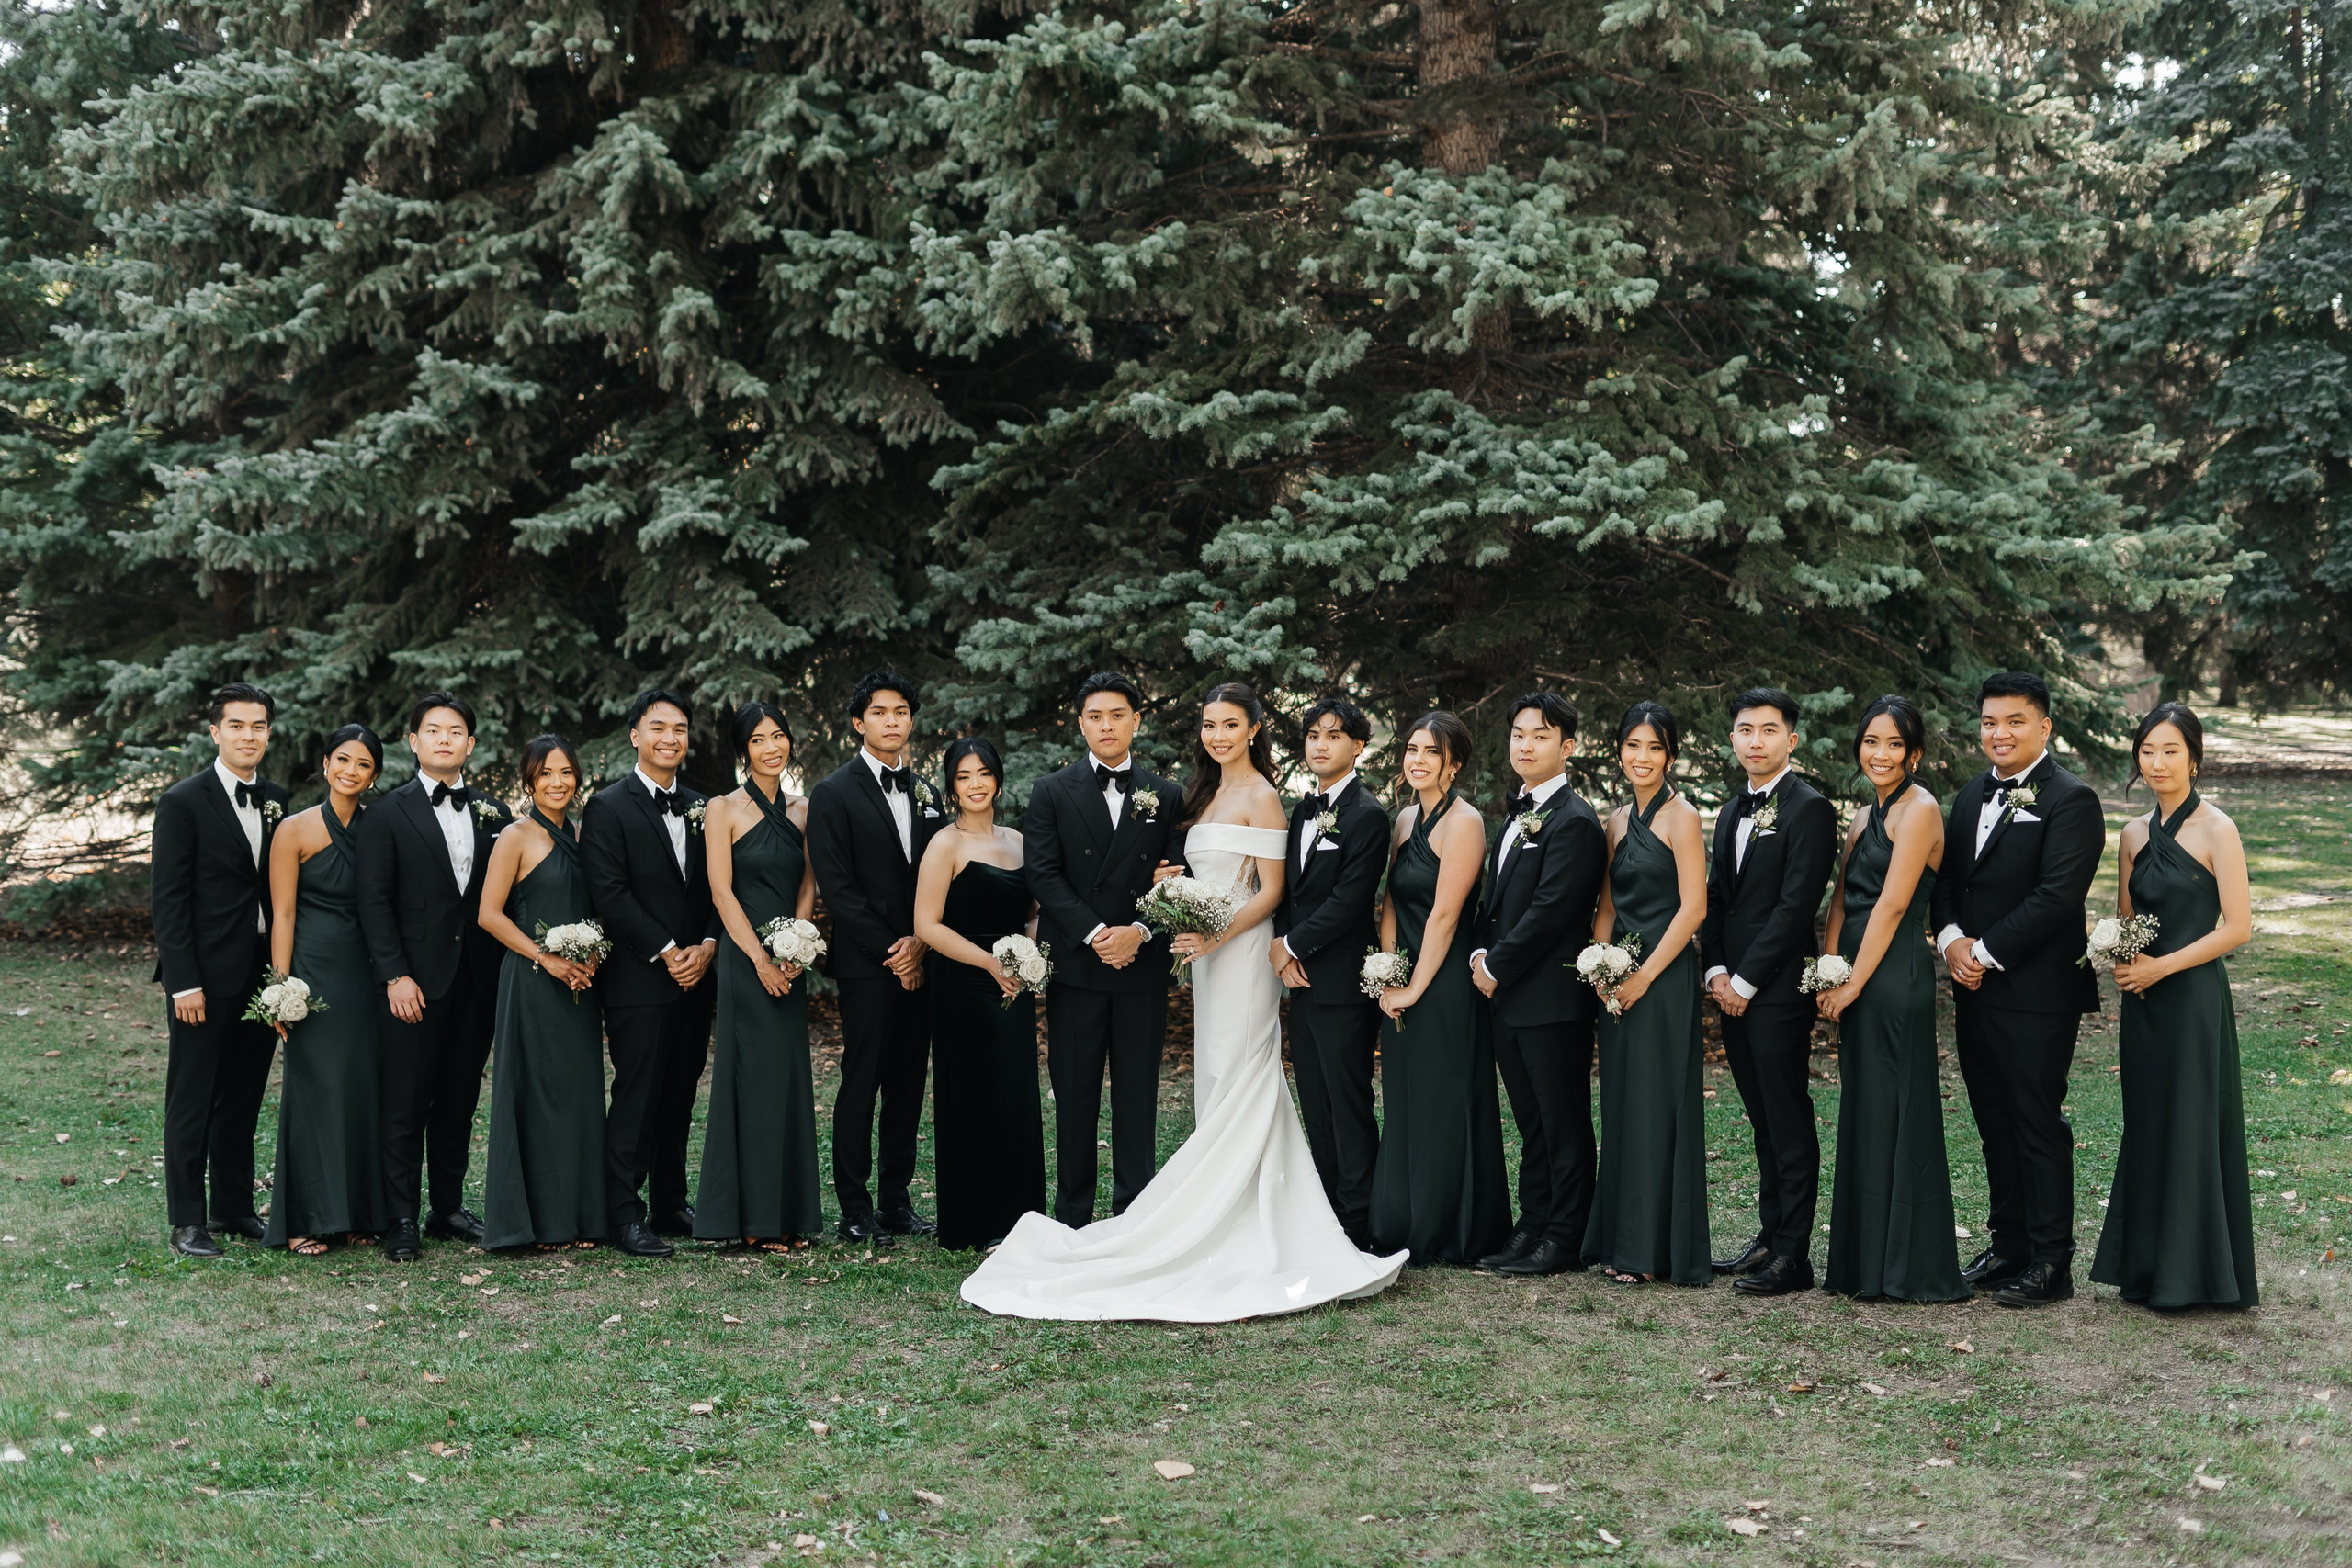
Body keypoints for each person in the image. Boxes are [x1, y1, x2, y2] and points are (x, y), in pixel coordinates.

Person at [962, 682, 1406, 1319]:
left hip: (1240, 953)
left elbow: (1272, 890)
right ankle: (1208, 1204)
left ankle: (1248, 1212)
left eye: (1231, 724)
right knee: (1216, 1075)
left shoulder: (1264, 797)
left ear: (1254, 728)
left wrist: (1214, 931)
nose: (1218, 735)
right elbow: (1186, 870)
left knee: (1243, 1071)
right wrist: (1175, 888)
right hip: (1203, 955)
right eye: (1209, 724)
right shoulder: (1197, 795)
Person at [1930, 671, 2105, 1306]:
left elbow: (2058, 897)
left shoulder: (2072, 799)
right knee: (1992, 1119)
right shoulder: (1969, 794)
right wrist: (1950, 939)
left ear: (2044, 726)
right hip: (1973, 986)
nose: (1999, 733)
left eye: (2014, 721)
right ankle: (2009, 1245)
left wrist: (1982, 950)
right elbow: (1946, 878)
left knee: (2034, 1120)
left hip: (2037, 991)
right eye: (1989, 722)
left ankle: (2051, 1261)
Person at [2091, 703, 2258, 1311]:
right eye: (2147, 751)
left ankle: (2196, 1274)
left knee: (2191, 1124)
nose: (2157, 763)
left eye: (2169, 751)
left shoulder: (2219, 829)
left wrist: (2164, 965)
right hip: (2143, 1005)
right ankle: (2149, 1266)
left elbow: (2237, 927)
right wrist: (2119, 951)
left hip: (2190, 1002)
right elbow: (2128, 917)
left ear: (2194, 756)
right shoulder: (2133, 834)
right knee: (2151, 1122)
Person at [1019, 672, 1184, 1226]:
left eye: (1118, 715)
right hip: (1078, 968)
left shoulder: (1166, 794)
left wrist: (1137, 931)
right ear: (1081, 723)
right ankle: (1072, 1217)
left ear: (1137, 720)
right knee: (1075, 1093)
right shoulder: (1050, 791)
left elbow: (1176, 878)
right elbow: (1043, 875)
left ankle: (1134, 1216)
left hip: (1141, 967)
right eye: (1095, 716)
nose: (1106, 726)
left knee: (1137, 1096)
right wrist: (1097, 935)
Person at [1815, 696, 1966, 1302]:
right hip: (1854, 972)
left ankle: (1905, 1264)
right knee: (1866, 1109)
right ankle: (1861, 1262)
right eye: (1871, 741)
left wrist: (1854, 981)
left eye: (1894, 744)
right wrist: (1829, 970)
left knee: (1896, 1109)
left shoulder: (1921, 810)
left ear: (1915, 754)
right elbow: (1845, 900)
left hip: (1893, 977)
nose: (1880, 753)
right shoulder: (1859, 817)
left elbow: (1894, 904)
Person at [356, 693, 510, 1260]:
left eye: (456, 731)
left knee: (458, 1100)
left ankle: (446, 1207)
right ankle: (400, 1217)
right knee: (404, 1102)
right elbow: (373, 902)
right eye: (433, 730)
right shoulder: (386, 813)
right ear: (414, 742)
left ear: (470, 744)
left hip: (477, 980)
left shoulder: (495, 812)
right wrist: (395, 975)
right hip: (413, 984)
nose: (445, 738)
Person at [1701, 689, 1838, 1296]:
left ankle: (1794, 1255)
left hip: (1777, 990)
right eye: (1745, 730)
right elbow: (1718, 898)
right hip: (1732, 984)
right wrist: (1716, 972)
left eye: (1768, 730)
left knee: (1786, 1116)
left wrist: (1748, 979)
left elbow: (1795, 904)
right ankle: (1769, 1233)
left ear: (1792, 739)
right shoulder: (1733, 809)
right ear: (1732, 738)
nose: (1755, 740)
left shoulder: (1808, 807)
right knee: (1760, 1115)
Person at [805, 671, 945, 1242]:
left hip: (925, 958)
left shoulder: (929, 791)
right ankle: (856, 1207)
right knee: (862, 1080)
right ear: (859, 723)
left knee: (909, 1081)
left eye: (901, 712)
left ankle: (895, 1201)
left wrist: (921, 944)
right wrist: (895, 950)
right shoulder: (833, 792)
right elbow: (838, 888)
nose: (893, 721)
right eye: (880, 712)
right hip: (868, 963)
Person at [1469, 693, 1607, 1278]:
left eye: (1540, 736)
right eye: (1518, 735)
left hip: (1551, 998)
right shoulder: (1516, 812)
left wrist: (1495, 966)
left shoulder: (1575, 820)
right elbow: (1495, 900)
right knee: (1530, 1120)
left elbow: (1552, 909)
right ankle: (1534, 1221)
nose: (1525, 745)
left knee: (1563, 1120)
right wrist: (1480, 949)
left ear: (1567, 747)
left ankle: (1565, 1237)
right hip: (1509, 999)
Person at [151, 682, 288, 1258]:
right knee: (194, 1096)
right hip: (202, 978)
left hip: (261, 974)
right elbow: (169, 900)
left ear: (269, 733)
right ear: (215, 732)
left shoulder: (279, 798)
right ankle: (188, 1219)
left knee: (243, 1094)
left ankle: (233, 1206)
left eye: (258, 726)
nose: (248, 735)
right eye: (237, 725)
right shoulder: (184, 801)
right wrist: (184, 981)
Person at [1368, 711, 1510, 1266]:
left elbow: (1446, 915)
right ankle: (1401, 1219)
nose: (1417, 760)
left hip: (1445, 982)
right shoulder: (1404, 820)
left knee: (1443, 1100)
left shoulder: (1466, 822)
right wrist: (1387, 969)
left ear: (1453, 765)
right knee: (1405, 1099)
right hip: (1404, 975)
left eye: (1431, 753)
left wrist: (1414, 987)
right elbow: (1391, 904)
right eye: (1411, 749)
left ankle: (1450, 1228)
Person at [580, 688, 719, 1257]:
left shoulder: (703, 805)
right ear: (635, 735)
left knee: (681, 1091)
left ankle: (668, 1200)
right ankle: (622, 1212)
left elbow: (718, 883)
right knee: (638, 1092)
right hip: (640, 977)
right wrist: (667, 951)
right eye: (658, 727)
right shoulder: (608, 806)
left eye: (680, 729)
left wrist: (707, 944)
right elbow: (609, 893)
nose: (670, 738)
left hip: (698, 972)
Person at [1583, 702, 1712, 1286]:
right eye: (1633, 746)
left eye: (1654, 747)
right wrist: (1600, 964)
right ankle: (1618, 1238)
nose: (1642, 757)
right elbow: (1608, 904)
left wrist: (1643, 976)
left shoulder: (1681, 817)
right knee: (1623, 1105)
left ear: (1671, 756)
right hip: (1620, 977)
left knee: (1657, 1104)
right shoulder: (1614, 822)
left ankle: (1651, 1250)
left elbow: (1695, 907)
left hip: (1663, 978)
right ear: (1619, 752)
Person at [695, 702, 823, 1252]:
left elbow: (810, 885)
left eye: (779, 736)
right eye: (758, 740)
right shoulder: (722, 809)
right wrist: (760, 960)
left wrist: (796, 946)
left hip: (789, 961)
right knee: (749, 1079)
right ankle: (749, 1217)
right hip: (745, 962)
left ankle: (787, 1212)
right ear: (742, 750)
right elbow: (721, 892)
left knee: (788, 1080)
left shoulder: (804, 810)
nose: (771, 747)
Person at [912, 738, 1046, 1251]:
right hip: (965, 986)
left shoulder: (1018, 840)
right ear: (952, 785)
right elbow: (926, 924)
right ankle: (975, 1221)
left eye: (984, 774)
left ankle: (1019, 1218)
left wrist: (1028, 958)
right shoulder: (945, 844)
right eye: (964, 776)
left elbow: (1031, 911)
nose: (975, 784)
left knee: (1014, 1096)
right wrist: (989, 961)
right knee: (973, 1096)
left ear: (998, 779)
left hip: (1013, 986)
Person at [263, 725, 390, 1256]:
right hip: (313, 974)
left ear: (375, 774)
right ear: (325, 763)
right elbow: (283, 914)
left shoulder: (381, 828)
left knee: (363, 1089)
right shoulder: (293, 830)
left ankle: (358, 1212)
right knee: (314, 1092)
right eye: (343, 760)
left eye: (363, 764)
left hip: (365, 974)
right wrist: (280, 987)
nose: (351, 771)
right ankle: (303, 1218)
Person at [479, 736, 607, 1251]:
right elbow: (489, 914)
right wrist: (545, 957)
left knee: (576, 1095)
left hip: (579, 984)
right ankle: (536, 1222)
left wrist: (592, 951)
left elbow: (595, 903)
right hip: (532, 983)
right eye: (546, 773)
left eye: (566, 772)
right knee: (536, 1094)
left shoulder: (582, 832)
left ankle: (578, 1217)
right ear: (529, 780)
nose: (558, 782)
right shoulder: (515, 835)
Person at [1272, 698, 1390, 1251]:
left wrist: (1291, 945)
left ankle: (1358, 1220)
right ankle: (1322, 1214)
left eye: (1334, 736)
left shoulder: (1367, 814)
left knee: (1347, 1102)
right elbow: (1294, 892)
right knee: (1315, 1101)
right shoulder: (1302, 809)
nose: (1320, 744)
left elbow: (1349, 901)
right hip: (1302, 981)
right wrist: (1288, 953)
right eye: (1313, 735)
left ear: (1358, 746)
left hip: (1343, 983)